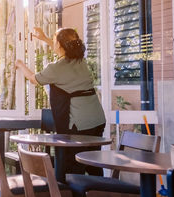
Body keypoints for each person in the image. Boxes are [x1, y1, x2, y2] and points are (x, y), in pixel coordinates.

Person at [15, 27, 106, 176]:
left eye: (54, 39)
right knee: (92, 163)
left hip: (79, 124)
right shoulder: (80, 61)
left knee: (74, 167)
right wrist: (45, 39)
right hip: (97, 120)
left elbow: (33, 79)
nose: (54, 42)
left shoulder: (56, 69)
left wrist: (20, 64)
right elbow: (66, 50)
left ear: (59, 45)